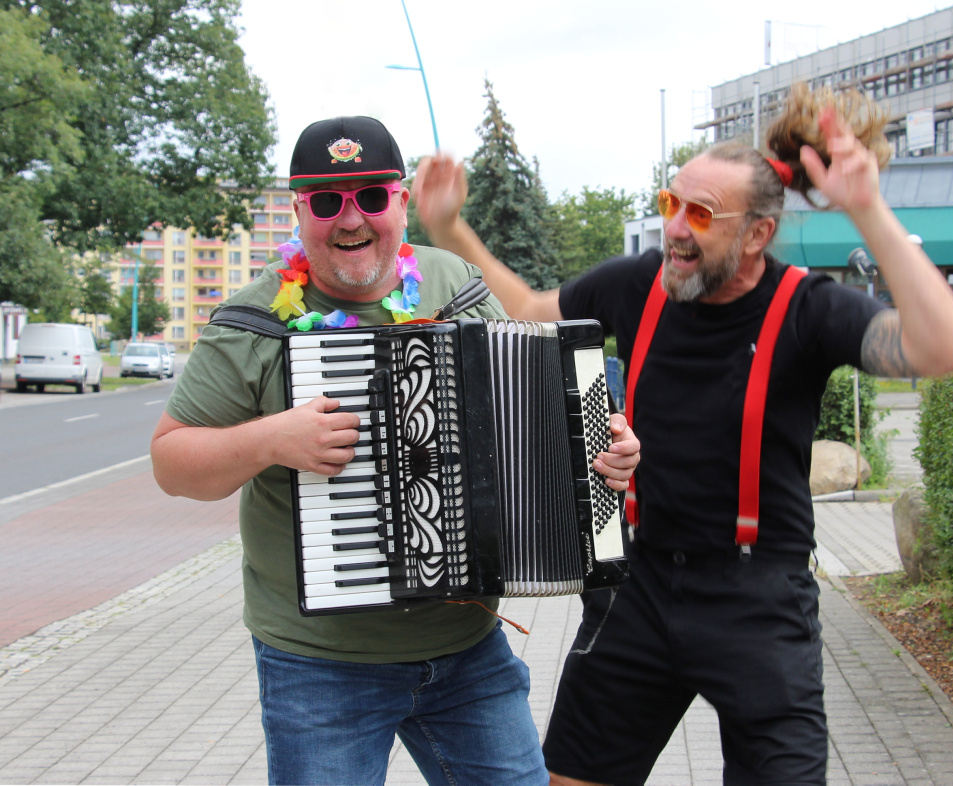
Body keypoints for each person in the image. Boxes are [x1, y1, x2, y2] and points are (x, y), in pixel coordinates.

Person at [414, 84, 953, 785]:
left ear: (757, 235)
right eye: (670, 203)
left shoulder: (807, 309)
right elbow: (527, 309)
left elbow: (945, 351)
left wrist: (866, 206)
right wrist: (449, 227)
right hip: (636, 587)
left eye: (701, 214)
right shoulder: (639, 284)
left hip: (758, 598)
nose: (675, 228)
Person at [149, 115, 641, 786]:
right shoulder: (255, 322)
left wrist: (605, 451)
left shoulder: (455, 288)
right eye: (327, 201)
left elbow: (540, 414)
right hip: (318, 667)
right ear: (299, 210)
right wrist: (271, 438)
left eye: (371, 197)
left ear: (400, 201)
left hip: (468, 653)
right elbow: (172, 463)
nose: (351, 218)